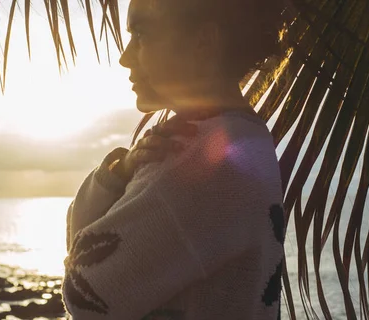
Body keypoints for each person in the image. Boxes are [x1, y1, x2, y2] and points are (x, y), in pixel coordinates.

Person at [62, 0, 288, 318]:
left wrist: (110, 183)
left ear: (203, 41)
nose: (125, 57)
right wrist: (122, 174)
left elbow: (85, 293)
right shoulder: (249, 137)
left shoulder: (190, 162)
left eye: (140, 34)